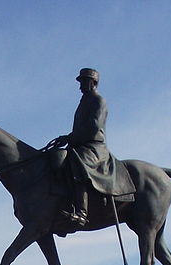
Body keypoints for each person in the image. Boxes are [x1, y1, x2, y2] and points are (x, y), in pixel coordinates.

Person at [48, 68, 120, 228]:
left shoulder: (98, 101)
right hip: (80, 144)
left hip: (94, 147)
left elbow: (93, 128)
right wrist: (67, 138)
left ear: (93, 83)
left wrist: (70, 137)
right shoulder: (84, 101)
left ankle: (81, 212)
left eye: (84, 82)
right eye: (80, 82)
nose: (80, 86)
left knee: (76, 162)